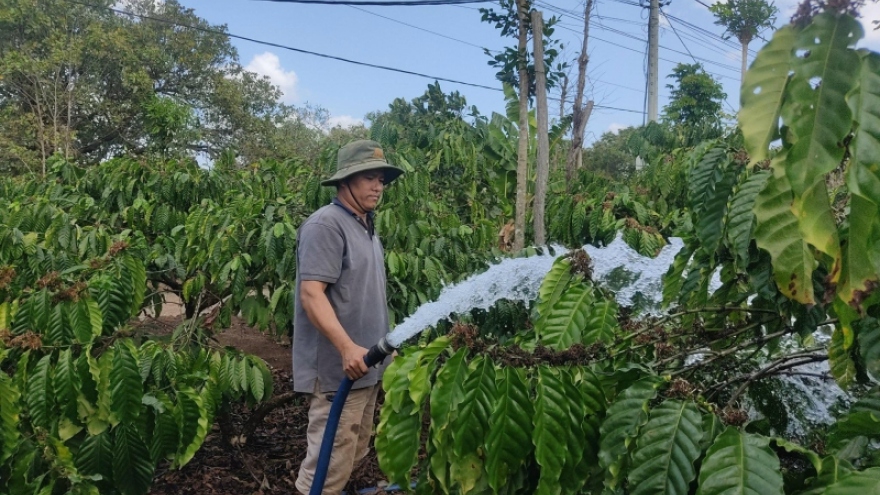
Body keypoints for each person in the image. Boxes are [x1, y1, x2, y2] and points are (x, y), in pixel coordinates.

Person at [292, 139, 404, 495]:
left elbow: (364, 295)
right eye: (369, 178)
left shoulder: (365, 225)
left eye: (381, 180)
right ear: (345, 182)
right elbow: (312, 295)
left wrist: (384, 348)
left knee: (354, 450)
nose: (377, 187)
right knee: (327, 463)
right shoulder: (326, 225)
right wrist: (346, 348)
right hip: (337, 371)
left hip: (367, 367)